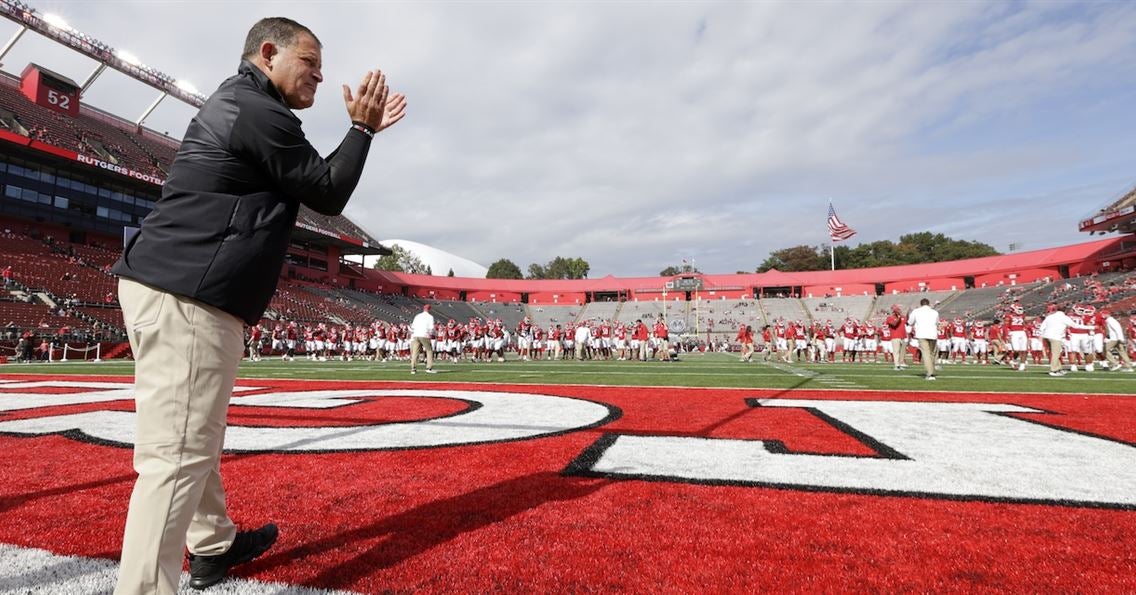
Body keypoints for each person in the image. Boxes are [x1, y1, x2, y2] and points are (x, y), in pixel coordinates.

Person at [110, 17, 406, 594]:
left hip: (171, 285)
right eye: (310, 63)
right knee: (176, 458)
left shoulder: (243, 101)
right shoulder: (255, 107)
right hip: (188, 294)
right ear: (268, 53)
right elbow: (326, 188)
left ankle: (213, 544)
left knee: (191, 434)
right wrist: (361, 132)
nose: (321, 76)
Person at [1039, 304, 1094, 376]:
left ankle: (1058, 368)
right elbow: (1075, 326)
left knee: (1054, 353)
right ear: (1065, 311)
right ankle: (1053, 370)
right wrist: (1091, 327)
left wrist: (1042, 336)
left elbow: (1042, 327)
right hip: (1056, 337)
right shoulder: (1064, 317)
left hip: (1046, 336)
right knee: (1056, 354)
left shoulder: (1049, 317)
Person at [907, 298, 940, 380]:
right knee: (932, 354)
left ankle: (930, 373)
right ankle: (931, 371)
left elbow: (910, 322)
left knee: (926, 354)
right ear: (928, 304)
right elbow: (937, 323)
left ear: (921, 304)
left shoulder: (916, 311)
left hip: (922, 334)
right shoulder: (935, 312)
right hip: (933, 334)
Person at [410, 304, 437, 374]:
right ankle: (429, 368)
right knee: (429, 350)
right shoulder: (430, 317)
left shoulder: (417, 316)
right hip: (424, 334)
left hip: (416, 335)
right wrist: (433, 334)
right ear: (430, 309)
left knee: (415, 352)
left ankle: (413, 368)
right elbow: (431, 328)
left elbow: (413, 326)